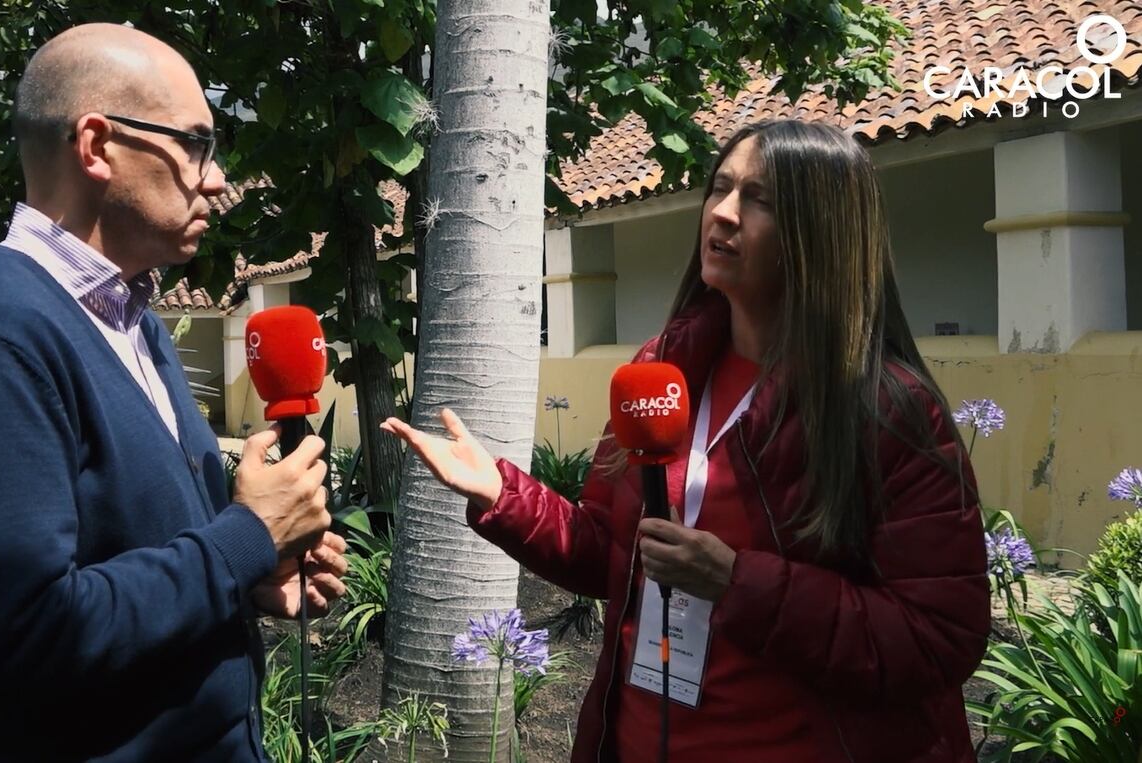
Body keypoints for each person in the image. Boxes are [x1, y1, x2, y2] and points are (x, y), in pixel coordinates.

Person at [384, 120, 990, 762]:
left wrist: (737, 582)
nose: (723, 213)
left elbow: (938, 636)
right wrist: (501, 493)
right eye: (721, 188)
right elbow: (611, 554)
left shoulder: (887, 411)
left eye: (759, 199)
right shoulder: (661, 371)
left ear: (822, 231)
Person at [0, 24, 346, 762]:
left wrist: (251, 576)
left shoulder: (134, 323)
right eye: (195, 144)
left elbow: (149, 555)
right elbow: (22, 641)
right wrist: (245, 537)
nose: (217, 178)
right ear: (97, 145)